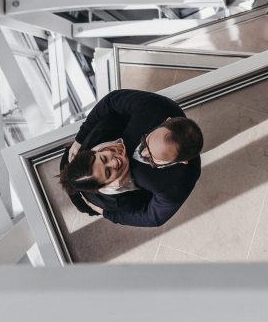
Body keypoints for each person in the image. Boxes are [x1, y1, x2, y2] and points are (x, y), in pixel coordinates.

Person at [58, 89, 203, 227]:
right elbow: (111, 101)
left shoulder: (178, 184)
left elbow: (153, 217)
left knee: (85, 207)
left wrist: (106, 213)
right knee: (68, 170)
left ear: (181, 162)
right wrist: (80, 138)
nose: (142, 153)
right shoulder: (156, 107)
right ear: (166, 121)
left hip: (112, 201)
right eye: (145, 140)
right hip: (84, 166)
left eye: (153, 158)